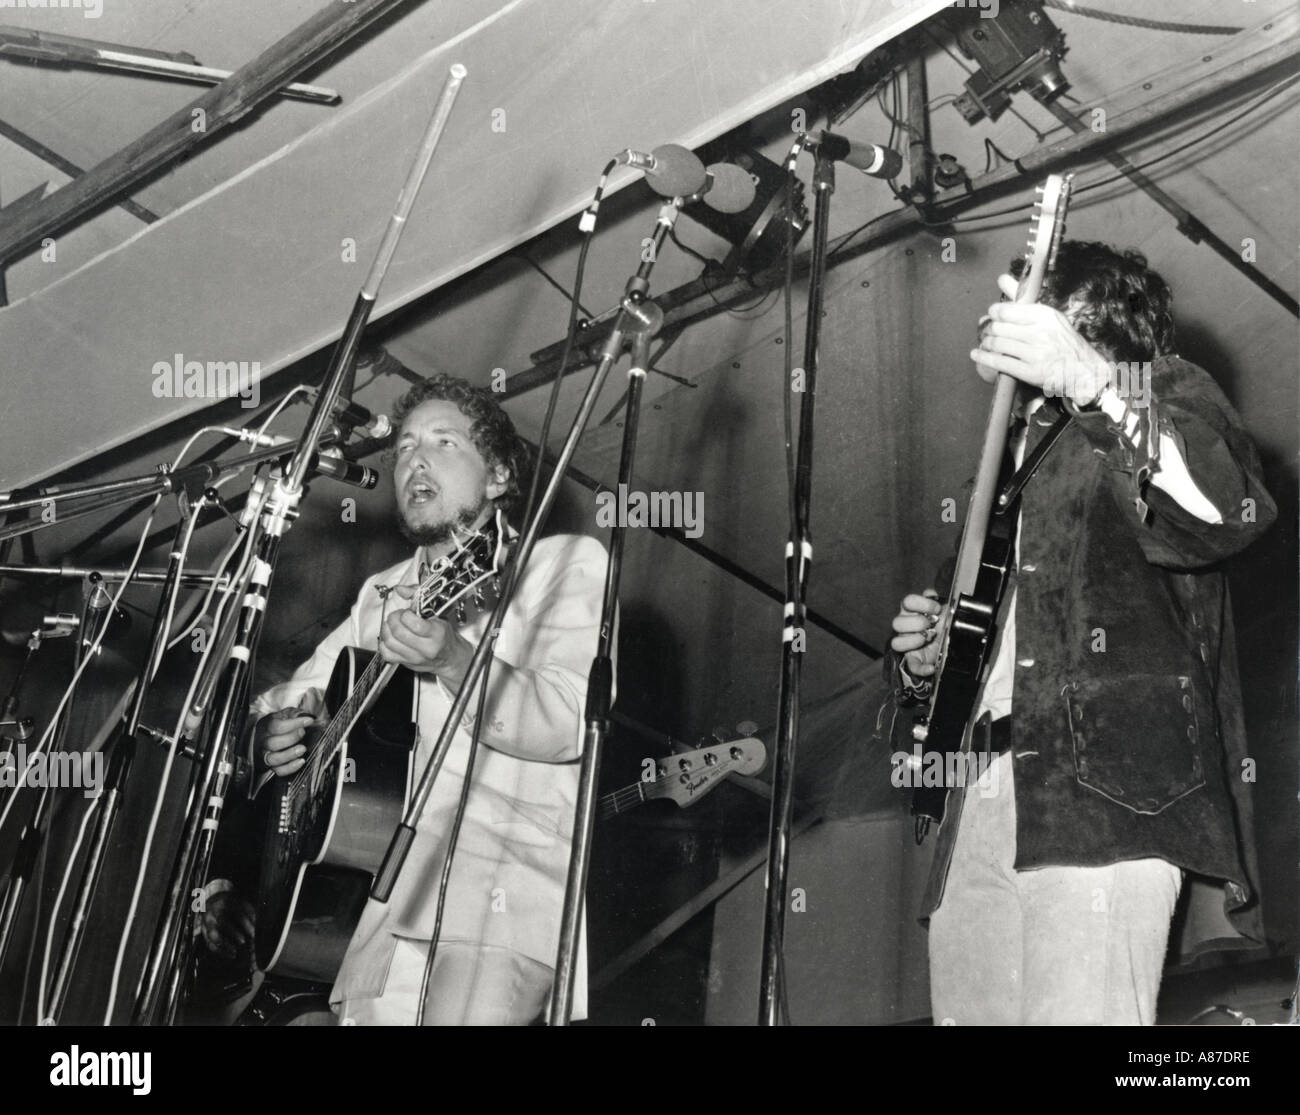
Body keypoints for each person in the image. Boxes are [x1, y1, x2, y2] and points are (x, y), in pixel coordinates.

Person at [888, 241, 1275, 1025]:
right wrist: (925, 665)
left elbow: (1226, 509)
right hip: (980, 801)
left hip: (1102, 794)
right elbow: (960, 662)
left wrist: (1093, 383)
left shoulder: (1165, 395)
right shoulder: (1000, 472)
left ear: (1102, 330)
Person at [203, 372, 606, 1025]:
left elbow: (567, 720)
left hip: (494, 895)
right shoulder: (381, 592)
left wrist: (454, 658)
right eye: (407, 446)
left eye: (444, 442)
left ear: (500, 475)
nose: (414, 458)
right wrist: (269, 732)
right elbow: (285, 698)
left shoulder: (558, 565)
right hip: (374, 916)